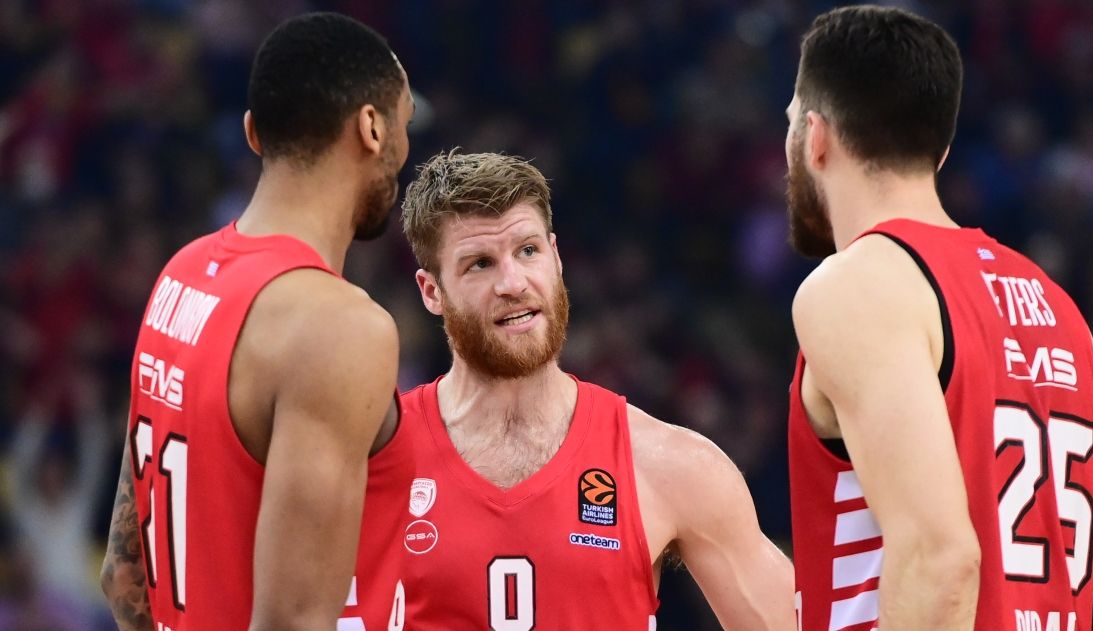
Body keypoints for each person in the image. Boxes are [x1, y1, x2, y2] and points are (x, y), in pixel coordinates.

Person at [783, 5, 1093, 631]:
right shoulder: (1055, 304)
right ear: (940, 152)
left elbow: (940, 562)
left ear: (815, 136)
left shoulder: (855, 285)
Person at [99, 12, 414, 631]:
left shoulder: (181, 274)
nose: (404, 152)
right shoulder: (340, 328)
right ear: (372, 128)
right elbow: (291, 623)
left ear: (252, 133)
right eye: (404, 124)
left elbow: (123, 575)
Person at [391, 150, 794, 630]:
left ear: (556, 257)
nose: (513, 283)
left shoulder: (668, 464)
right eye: (480, 264)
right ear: (431, 291)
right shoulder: (374, 461)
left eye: (528, 251)